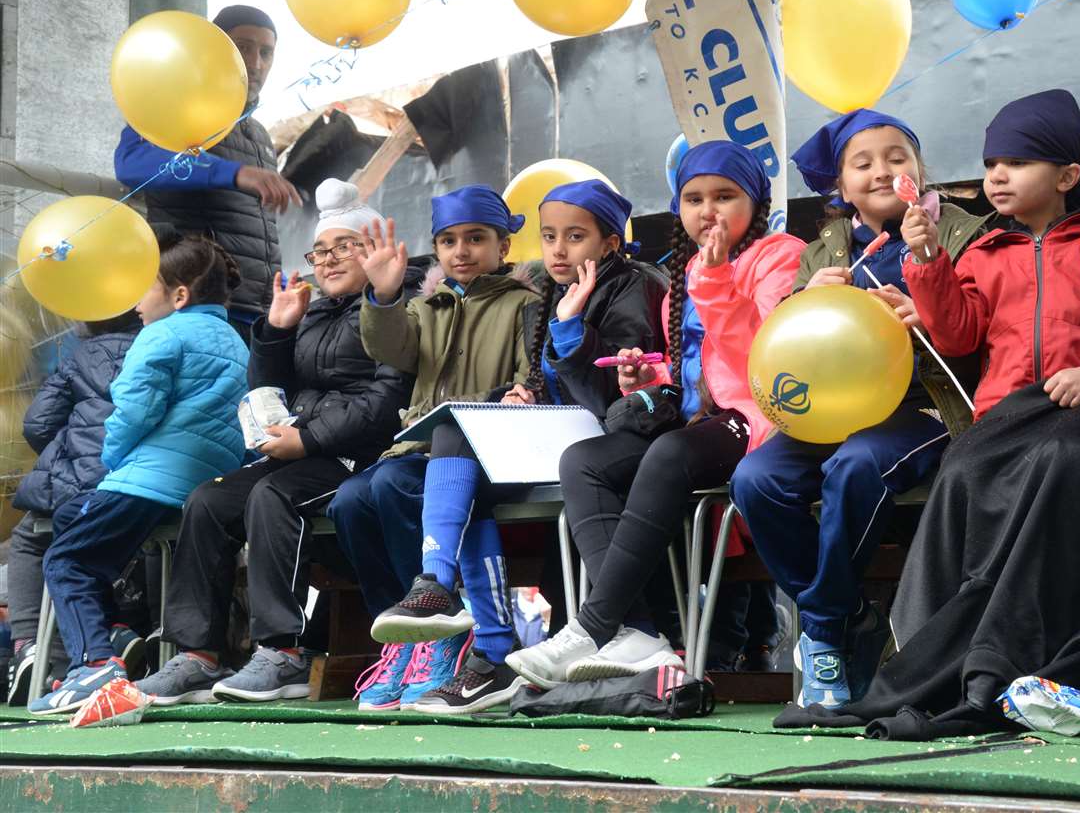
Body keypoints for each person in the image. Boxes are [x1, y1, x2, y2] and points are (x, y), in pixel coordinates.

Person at [778, 89, 1080, 739]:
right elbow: (956, 335)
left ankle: (1019, 664)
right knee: (959, 475)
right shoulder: (981, 251)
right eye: (992, 162)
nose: (998, 176)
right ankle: (939, 660)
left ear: (1065, 177)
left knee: (1063, 458)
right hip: (1004, 418)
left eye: (1019, 163)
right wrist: (925, 261)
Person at [507, 141, 804, 689]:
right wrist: (648, 378)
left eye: (724, 196)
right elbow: (691, 366)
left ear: (755, 202)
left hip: (759, 416)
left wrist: (715, 281)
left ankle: (594, 624)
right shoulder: (686, 269)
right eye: (693, 199)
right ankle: (636, 632)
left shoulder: (779, 254)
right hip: (694, 419)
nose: (707, 210)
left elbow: (764, 353)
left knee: (670, 453)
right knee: (584, 461)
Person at [365, 181, 668, 715]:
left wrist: (570, 335)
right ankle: (467, 627)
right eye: (550, 236)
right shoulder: (549, 292)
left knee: (455, 439)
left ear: (611, 243)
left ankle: (481, 637)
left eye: (575, 236)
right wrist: (525, 391)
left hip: (604, 439)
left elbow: (608, 393)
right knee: (450, 449)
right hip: (553, 431)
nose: (557, 249)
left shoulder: (625, 286)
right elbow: (542, 377)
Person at [728, 109, 988, 709]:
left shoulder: (964, 231)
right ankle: (847, 615)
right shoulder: (822, 251)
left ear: (919, 171)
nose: (881, 171)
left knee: (855, 466)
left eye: (897, 157)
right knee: (755, 479)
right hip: (833, 411)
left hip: (926, 409)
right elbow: (787, 344)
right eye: (862, 163)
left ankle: (820, 630)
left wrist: (928, 313)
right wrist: (803, 303)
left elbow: (980, 327)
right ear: (840, 187)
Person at [133, 180, 413, 706]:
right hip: (299, 448)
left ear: (373, 249)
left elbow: (388, 397)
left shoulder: (397, 308)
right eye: (319, 251)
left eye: (343, 248)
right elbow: (269, 388)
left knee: (273, 496)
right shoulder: (314, 310)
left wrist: (307, 441)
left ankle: (281, 652)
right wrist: (278, 330)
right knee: (209, 500)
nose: (327, 261)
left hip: (356, 457)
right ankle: (197, 655)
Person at [325, 184, 537, 712]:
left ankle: (441, 636)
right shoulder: (426, 304)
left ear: (504, 247)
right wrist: (384, 297)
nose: (461, 251)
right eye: (448, 241)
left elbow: (529, 377)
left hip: (487, 446)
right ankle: (403, 639)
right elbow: (391, 349)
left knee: (393, 485)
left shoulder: (523, 303)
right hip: (418, 444)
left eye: (475, 238)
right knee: (350, 500)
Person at [30, 236, 249, 714]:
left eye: (143, 289)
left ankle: (95, 665)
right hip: (203, 484)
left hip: (149, 478)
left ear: (179, 295)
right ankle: (113, 631)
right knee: (73, 519)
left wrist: (113, 458)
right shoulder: (233, 338)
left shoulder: (162, 334)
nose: (134, 302)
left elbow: (133, 410)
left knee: (65, 562)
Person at [113, 5, 301, 338]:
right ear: (214, 49)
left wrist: (281, 285)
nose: (255, 63)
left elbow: (254, 233)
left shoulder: (259, 136)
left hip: (254, 312)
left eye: (266, 52)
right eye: (242, 47)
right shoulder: (174, 107)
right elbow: (132, 163)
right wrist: (233, 172)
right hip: (193, 307)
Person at [7, 309, 142, 705]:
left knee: (30, 538)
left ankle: (29, 644)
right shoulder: (157, 346)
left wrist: (67, 449)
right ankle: (128, 629)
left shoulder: (77, 359)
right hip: (149, 479)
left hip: (82, 482)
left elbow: (36, 424)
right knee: (147, 541)